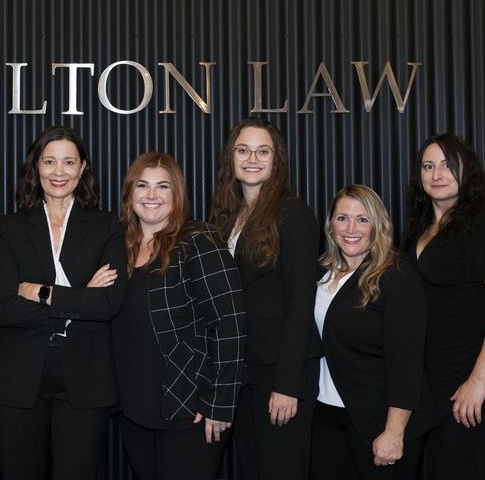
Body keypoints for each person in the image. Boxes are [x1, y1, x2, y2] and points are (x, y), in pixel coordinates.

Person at [0, 125, 126, 480]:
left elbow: (108, 303)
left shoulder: (107, 225)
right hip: (18, 381)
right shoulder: (11, 227)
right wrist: (80, 300)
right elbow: (4, 308)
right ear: (36, 168)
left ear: (83, 168)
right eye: (49, 161)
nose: (59, 172)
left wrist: (42, 292)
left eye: (68, 162)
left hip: (84, 380)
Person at [113, 152, 246, 480]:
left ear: (177, 195)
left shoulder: (198, 242)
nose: (152, 195)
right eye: (142, 186)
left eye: (163, 186)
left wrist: (219, 403)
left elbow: (230, 324)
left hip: (189, 411)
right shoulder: (119, 248)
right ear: (130, 194)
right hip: (135, 411)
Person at [404, 134, 485, 479]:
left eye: (448, 165)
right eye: (428, 166)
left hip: (480, 379)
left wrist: (477, 381)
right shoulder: (420, 231)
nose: (437, 174)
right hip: (437, 380)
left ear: (467, 171)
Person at [208, 117, 322, 479]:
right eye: (243, 150)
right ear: (231, 158)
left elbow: (301, 304)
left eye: (263, 151)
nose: (252, 158)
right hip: (244, 370)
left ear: (277, 160)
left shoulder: (293, 214)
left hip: (281, 371)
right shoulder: (229, 215)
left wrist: (287, 385)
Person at [309, 185, 437, 479]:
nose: (351, 228)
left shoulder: (397, 276)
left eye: (362, 219)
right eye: (342, 218)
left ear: (378, 225)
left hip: (380, 420)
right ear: (330, 224)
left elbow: (408, 362)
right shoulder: (319, 272)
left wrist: (393, 432)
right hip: (327, 414)